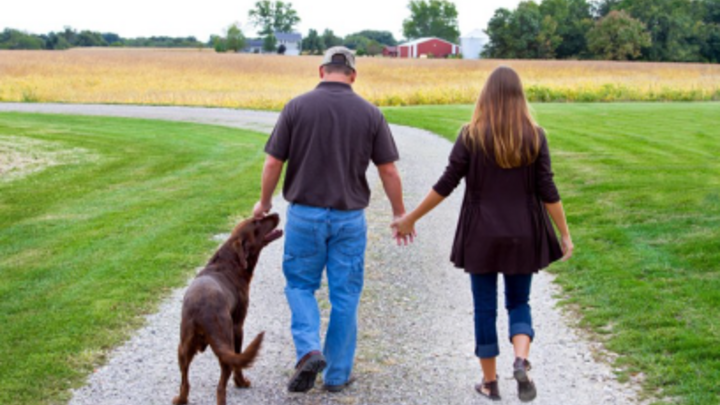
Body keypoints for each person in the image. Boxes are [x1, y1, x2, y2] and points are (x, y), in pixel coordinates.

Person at [392, 66, 574, 402]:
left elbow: (446, 184)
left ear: (485, 95)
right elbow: (547, 189)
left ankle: (490, 383)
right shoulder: (535, 135)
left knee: (484, 308)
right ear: (520, 96)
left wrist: (410, 218)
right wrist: (564, 233)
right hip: (524, 232)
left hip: (480, 234)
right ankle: (520, 358)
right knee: (519, 301)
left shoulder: (471, 135)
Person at [253, 46, 408, 393]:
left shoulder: (296, 107)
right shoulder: (371, 113)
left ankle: (308, 349)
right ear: (353, 74)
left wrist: (263, 203)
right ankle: (337, 375)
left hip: (305, 216)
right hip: (349, 219)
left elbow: (273, 163)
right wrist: (399, 213)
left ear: (321, 71)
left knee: (299, 285)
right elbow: (389, 171)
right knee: (345, 295)